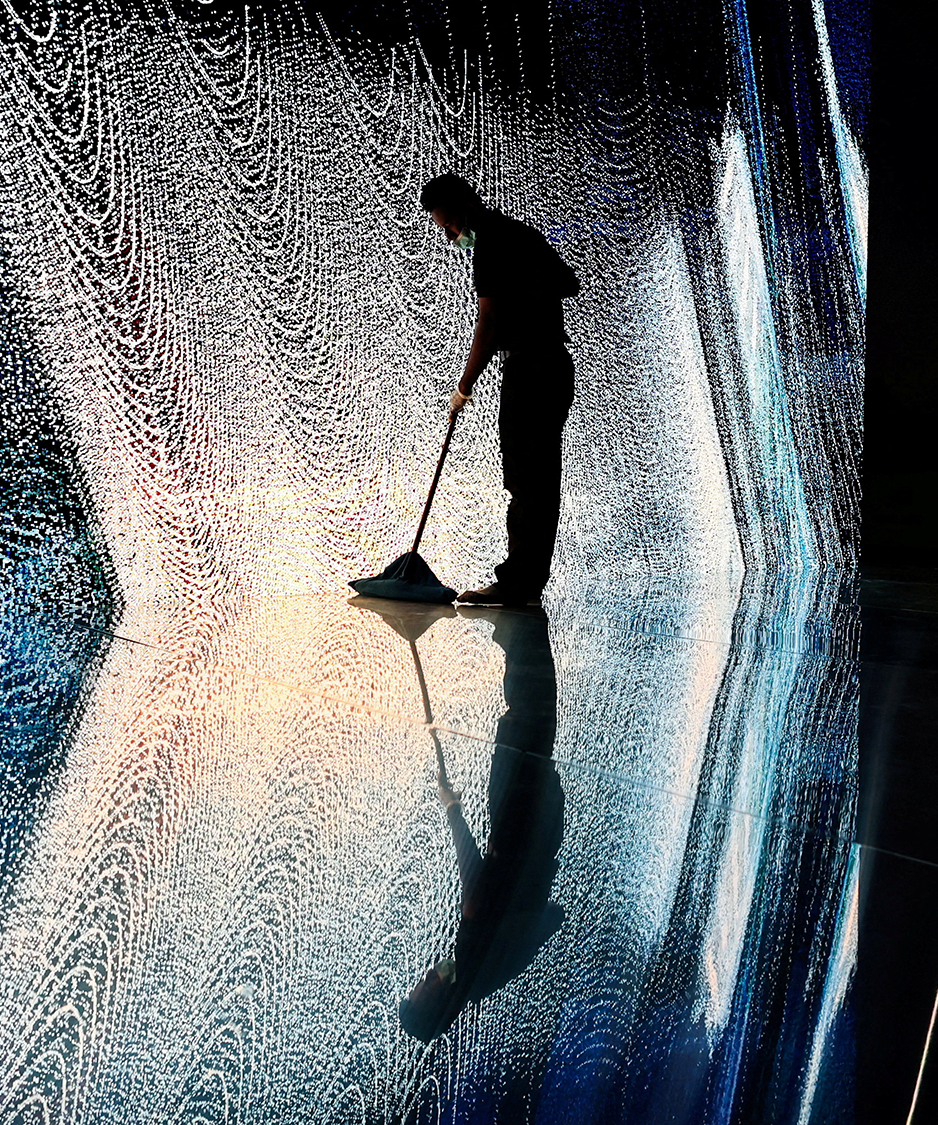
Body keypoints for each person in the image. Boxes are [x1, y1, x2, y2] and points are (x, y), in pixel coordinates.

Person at [397, 606, 566, 1042]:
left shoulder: (487, 979)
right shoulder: (472, 963)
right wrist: (452, 808)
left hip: (543, 829)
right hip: (515, 822)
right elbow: (474, 880)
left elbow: (553, 916)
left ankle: (521, 627)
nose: (425, 977)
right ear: (434, 1002)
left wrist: (524, 904)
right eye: (422, 989)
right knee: (521, 720)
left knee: (533, 724)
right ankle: (520, 620)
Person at [420, 174, 581, 607]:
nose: (451, 235)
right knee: (537, 478)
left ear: (467, 205)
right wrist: (530, 285)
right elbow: (568, 283)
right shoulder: (521, 234)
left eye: (450, 224)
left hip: (531, 368)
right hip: (552, 366)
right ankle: (525, 583)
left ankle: (518, 584)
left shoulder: (491, 243)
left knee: (527, 478)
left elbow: (488, 323)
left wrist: (464, 387)